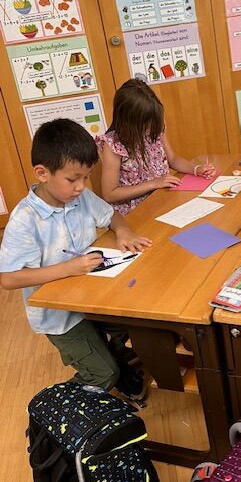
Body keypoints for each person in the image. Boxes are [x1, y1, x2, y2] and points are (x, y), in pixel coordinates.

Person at [0, 119, 152, 396]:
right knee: (103, 374)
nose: (81, 187)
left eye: (86, 177)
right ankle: (62, 404)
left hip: (92, 297)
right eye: (73, 179)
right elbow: (8, 279)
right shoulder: (25, 219)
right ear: (42, 173)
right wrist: (68, 268)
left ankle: (116, 361)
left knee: (138, 323)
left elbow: (111, 215)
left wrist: (124, 231)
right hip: (59, 316)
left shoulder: (79, 197)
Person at [97, 79, 215, 216]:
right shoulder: (113, 145)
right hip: (137, 213)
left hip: (164, 199)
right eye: (146, 125)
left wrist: (196, 169)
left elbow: (173, 159)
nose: (152, 129)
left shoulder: (155, 128)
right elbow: (110, 194)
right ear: (129, 122)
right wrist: (153, 184)